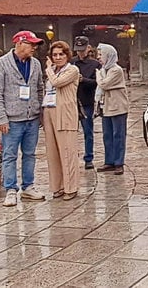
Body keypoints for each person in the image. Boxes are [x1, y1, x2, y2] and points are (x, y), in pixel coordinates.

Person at [0, 31, 47, 207]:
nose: (34, 48)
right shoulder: (2, 64)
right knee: (9, 155)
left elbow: (40, 88)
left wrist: (40, 113)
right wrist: (1, 118)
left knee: (30, 154)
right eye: (31, 44)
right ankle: (11, 190)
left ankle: (28, 186)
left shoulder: (35, 64)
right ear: (20, 43)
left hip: (32, 118)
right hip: (12, 120)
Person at [42, 40, 81, 200]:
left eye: (61, 54)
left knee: (67, 151)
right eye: (54, 55)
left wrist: (48, 69)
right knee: (52, 152)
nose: (58, 57)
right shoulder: (53, 70)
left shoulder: (72, 70)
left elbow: (57, 82)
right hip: (49, 110)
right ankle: (57, 186)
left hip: (65, 112)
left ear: (67, 55)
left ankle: (71, 187)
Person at [95, 43, 129, 175]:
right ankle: (109, 161)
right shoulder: (104, 70)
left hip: (118, 106)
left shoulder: (116, 70)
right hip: (106, 106)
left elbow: (104, 84)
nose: (99, 57)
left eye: (100, 54)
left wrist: (98, 75)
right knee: (107, 135)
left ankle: (119, 162)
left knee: (118, 135)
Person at [72, 37, 102, 170]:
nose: (80, 53)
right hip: (71, 101)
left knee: (88, 132)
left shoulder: (95, 64)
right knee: (70, 132)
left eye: (82, 50)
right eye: (78, 50)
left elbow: (98, 83)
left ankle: (88, 157)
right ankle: (71, 157)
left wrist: (83, 80)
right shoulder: (71, 62)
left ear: (88, 48)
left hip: (87, 102)